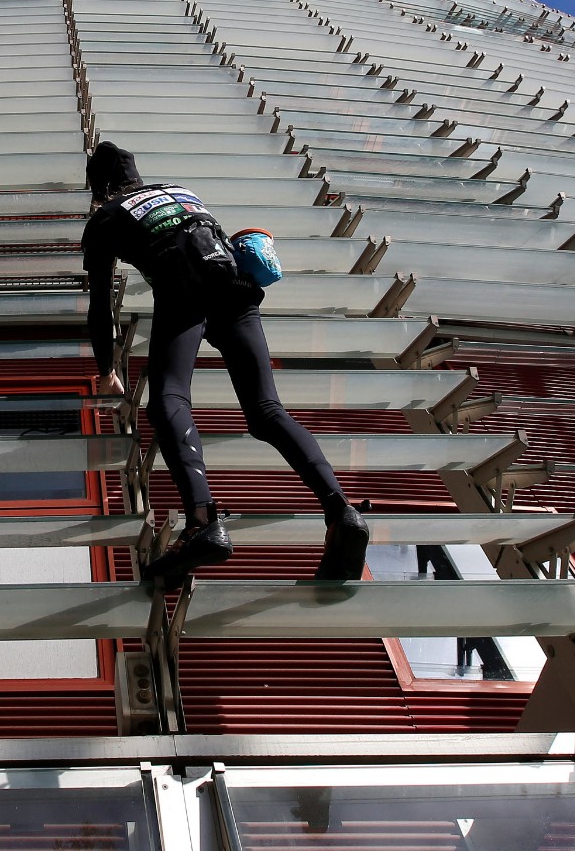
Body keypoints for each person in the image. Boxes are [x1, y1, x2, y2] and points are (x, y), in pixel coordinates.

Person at [81, 141, 370, 588]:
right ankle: (341, 511)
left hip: (183, 292)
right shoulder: (181, 191)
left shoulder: (105, 216)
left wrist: (106, 370)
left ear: (99, 187)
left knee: (169, 399)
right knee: (267, 410)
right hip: (235, 288)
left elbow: (100, 306)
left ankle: (202, 522)